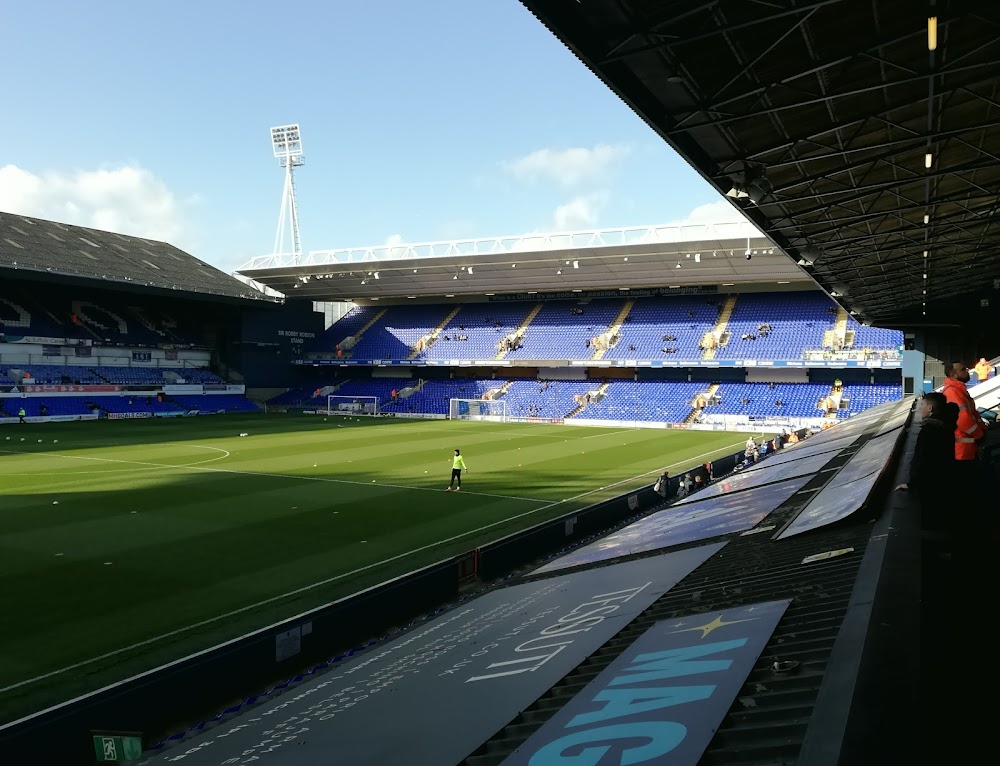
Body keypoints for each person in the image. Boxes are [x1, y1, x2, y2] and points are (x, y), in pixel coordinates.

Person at [895, 392, 958, 533]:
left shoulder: (929, 431)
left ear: (930, 408)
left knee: (933, 525)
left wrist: (911, 483)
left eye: (922, 405)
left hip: (932, 487)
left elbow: (923, 461)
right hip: (944, 483)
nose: (919, 408)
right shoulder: (946, 426)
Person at [941, 361, 987, 478]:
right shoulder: (952, 391)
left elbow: (973, 415)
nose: (967, 371)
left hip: (967, 449)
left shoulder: (958, 390)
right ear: (953, 374)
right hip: (961, 451)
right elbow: (963, 419)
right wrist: (979, 435)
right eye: (963, 370)